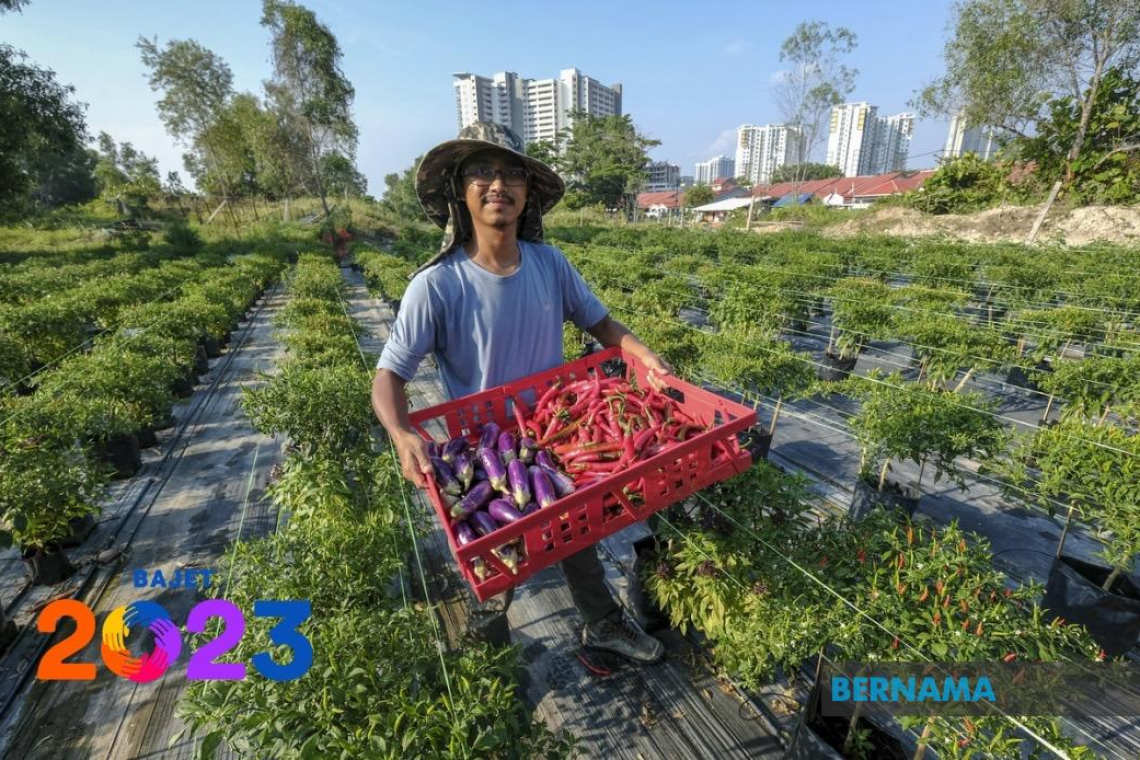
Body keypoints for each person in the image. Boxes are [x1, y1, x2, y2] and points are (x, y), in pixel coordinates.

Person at [372, 122, 670, 664]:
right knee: (497, 550)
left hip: (560, 430)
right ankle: (485, 649)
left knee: (578, 532)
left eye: (512, 173)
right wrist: (400, 432)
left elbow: (600, 322)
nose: (497, 184)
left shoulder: (550, 264)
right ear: (459, 191)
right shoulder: (437, 284)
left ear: (527, 192)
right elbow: (389, 374)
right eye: (481, 171)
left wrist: (640, 351)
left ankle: (602, 623)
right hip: (485, 451)